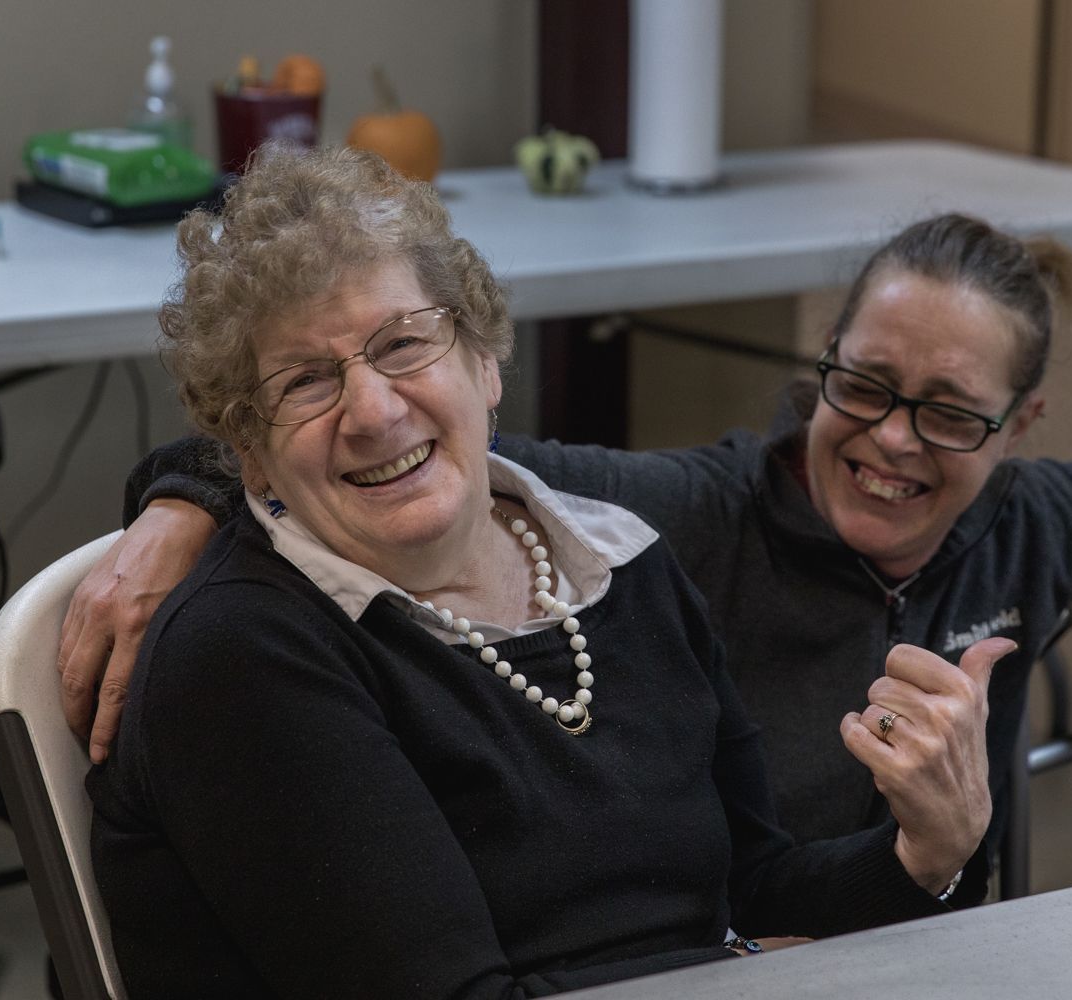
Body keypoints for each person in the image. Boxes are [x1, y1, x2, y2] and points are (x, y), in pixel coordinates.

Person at [64, 205, 1072, 866]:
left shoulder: (1032, 522)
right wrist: (188, 504)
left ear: (1021, 427)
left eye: (951, 414)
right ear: (823, 359)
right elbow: (406, 448)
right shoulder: (676, 514)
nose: (893, 441)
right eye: (863, 386)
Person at [85, 144, 1001, 999]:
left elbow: (751, 887)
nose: (372, 410)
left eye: (403, 344)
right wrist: (741, 968)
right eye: (305, 382)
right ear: (248, 453)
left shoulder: (619, 562)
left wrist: (928, 854)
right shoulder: (244, 656)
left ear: (485, 364)